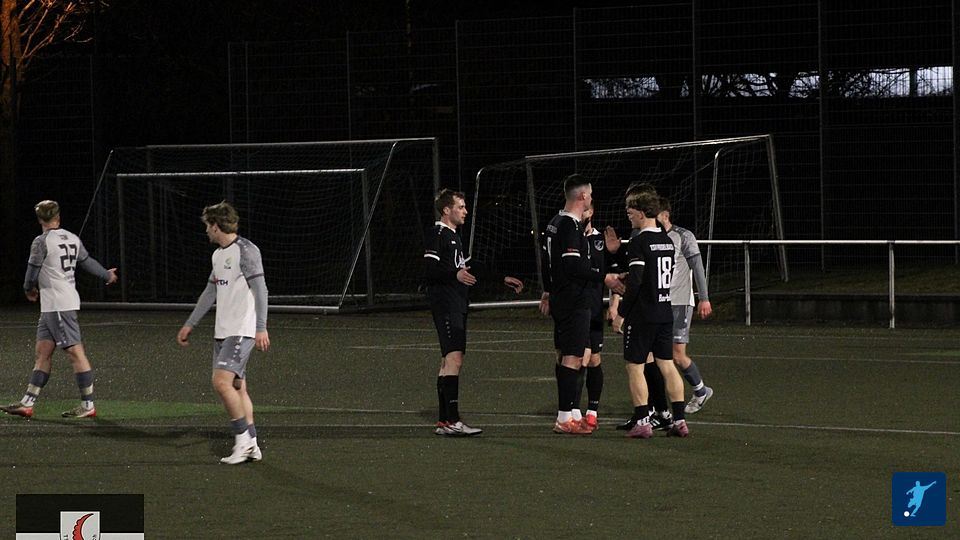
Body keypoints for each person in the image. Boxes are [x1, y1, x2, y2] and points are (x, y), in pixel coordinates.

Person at [1, 200, 118, 419]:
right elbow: (87, 261)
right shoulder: (72, 238)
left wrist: (28, 289)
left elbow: (31, 272)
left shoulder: (41, 242)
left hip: (58, 306)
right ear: (58, 217)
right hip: (54, 306)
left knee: (75, 352)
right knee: (43, 352)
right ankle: (27, 403)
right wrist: (107, 274)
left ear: (39, 219)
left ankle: (88, 405)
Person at [424, 189, 523, 437]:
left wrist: (501, 278)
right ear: (446, 210)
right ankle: (453, 421)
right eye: (461, 207)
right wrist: (454, 275)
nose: (465, 211)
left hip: (456, 303)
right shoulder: (438, 234)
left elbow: (469, 265)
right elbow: (429, 270)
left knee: (448, 361)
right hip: (446, 303)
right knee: (454, 358)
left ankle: (444, 421)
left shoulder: (453, 236)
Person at [177, 201, 270, 464]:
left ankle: (242, 441)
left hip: (241, 330)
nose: (206, 230)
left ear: (216, 226)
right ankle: (251, 442)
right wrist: (191, 323)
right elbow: (210, 292)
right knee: (238, 387)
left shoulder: (246, 250)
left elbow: (261, 290)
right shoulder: (218, 255)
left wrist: (261, 327)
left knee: (221, 383)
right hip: (224, 331)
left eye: (208, 226)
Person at [540, 174, 623, 435]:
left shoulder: (554, 222)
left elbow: (547, 262)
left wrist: (548, 290)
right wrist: (604, 277)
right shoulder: (569, 225)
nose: (591, 198)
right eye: (590, 194)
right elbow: (573, 265)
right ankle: (565, 418)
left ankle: (568, 415)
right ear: (583, 196)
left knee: (570, 356)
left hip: (563, 298)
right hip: (574, 300)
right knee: (573, 358)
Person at [612, 190, 689, 438]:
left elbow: (636, 282)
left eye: (631, 212)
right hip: (664, 311)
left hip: (643, 314)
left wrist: (621, 313)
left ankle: (643, 421)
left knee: (634, 366)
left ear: (642, 213)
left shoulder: (639, 242)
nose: (629, 216)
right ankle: (679, 420)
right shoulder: (666, 240)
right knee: (666, 364)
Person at [657, 197, 714, 414]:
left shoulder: (683, 236)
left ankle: (700, 391)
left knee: (677, 355)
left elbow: (697, 267)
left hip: (680, 302)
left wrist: (704, 298)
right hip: (659, 303)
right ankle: (659, 404)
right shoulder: (650, 236)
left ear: (665, 215)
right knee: (657, 355)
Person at [571, 203, 613, 429]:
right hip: (576, 308)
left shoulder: (600, 240)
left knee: (594, 359)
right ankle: (573, 411)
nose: (583, 214)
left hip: (595, 309)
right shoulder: (572, 238)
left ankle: (592, 411)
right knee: (580, 358)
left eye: (586, 211)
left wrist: (614, 305)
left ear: (592, 212)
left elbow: (613, 274)